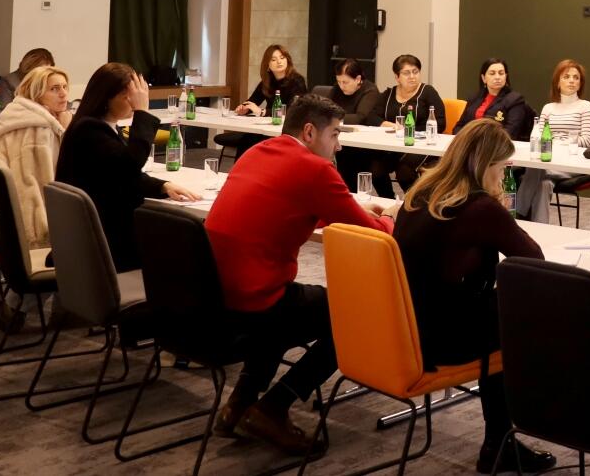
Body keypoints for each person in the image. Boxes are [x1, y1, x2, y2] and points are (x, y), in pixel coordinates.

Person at [206, 94, 396, 455]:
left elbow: (293, 203)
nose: (339, 145)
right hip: (258, 297)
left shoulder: (258, 152)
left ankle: (239, 404)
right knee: (354, 314)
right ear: (310, 131)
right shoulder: (316, 169)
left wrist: (348, 207)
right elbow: (375, 232)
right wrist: (391, 216)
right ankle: (273, 407)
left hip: (219, 294)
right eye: (336, 134)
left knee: (295, 300)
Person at [394, 119, 556, 473]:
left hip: (406, 326)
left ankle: (500, 441)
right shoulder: (480, 206)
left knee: (500, 311)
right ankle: (502, 441)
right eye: (502, 168)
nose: (503, 177)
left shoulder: (420, 192)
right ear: (486, 165)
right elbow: (533, 259)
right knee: (528, 316)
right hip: (441, 340)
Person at [55, 63, 199, 272]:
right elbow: (129, 165)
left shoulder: (95, 126)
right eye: (127, 96)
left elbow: (119, 173)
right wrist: (142, 111)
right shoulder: (89, 130)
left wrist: (163, 186)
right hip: (106, 239)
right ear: (106, 98)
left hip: (96, 230)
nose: (133, 102)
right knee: (186, 239)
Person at [0, 66, 73, 249]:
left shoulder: (25, 114)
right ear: (36, 93)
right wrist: (38, 242)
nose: (63, 94)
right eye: (54, 89)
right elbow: (29, 187)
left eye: (65, 87)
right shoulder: (36, 128)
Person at [515, 59, 590, 222]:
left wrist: (556, 143)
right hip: (548, 159)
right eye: (566, 77)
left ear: (580, 83)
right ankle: (540, 231)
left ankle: (517, 214)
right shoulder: (548, 108)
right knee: (544, 183)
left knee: (536, 168)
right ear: (558, 82)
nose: (572, 80)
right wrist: (557, 142)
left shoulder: (585, 106)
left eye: (576, 77)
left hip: (572, 161)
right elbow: (537, 135)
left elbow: (586, 141)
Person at [360, 54, 448, 192]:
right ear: (397, 77)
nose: (412, 76)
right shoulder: (389, 94)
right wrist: (391, 125)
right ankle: (388, 201)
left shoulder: (428, 92)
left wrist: (409, 129)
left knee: (405, 172)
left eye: (415, 72)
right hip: (394, 145)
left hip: (421, 146)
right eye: (406, 73)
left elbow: (441, 123)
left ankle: (413, 206)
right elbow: (371, 117)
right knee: (375, 168)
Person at [453, 57, 532, 140]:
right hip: (470, 144)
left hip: (497, 147)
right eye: (492, 73)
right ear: (484, 78)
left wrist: (477, 140)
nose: (497, 77)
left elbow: (509, 133)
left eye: (501, 73)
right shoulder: (474, 98)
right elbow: (458, 127)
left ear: (506, 76)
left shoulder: (515, 100)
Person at [236, 44, 308, 117]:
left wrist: (262, 112)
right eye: (274, 60)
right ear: (267, 65)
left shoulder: (297, 81)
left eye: (282, 58)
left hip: (290, 124)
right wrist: (245, 108)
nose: (279, 62)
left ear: (287, 61)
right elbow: (253, 101)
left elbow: (292, 111)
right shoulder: (267, 81)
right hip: (270, 123)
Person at [327, 58, 380, 124]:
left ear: (358, 79)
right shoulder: (337, 87)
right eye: (338, 81)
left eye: (345, 82)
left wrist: (331, 118)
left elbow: (360, 118)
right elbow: (325, 108)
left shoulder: (370, 91)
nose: (341, 86)